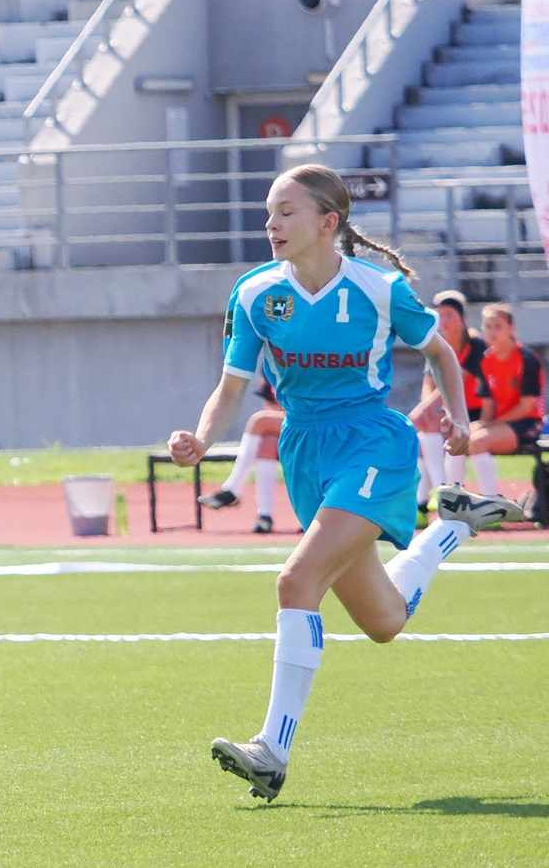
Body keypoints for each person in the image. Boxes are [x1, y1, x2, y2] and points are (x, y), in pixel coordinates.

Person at [169, 166, 513, 803]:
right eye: (269, 213)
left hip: (372, 442)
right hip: (306, 449)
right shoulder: (254, 294)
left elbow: (439, 352)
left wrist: (459, 419)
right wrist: (201, 439)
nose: (271, 224)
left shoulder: (379, 290)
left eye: (286, 213)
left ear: (328, 223)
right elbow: (232, 387)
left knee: (296, 581)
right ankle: (454, 525)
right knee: (383, 621)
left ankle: (272, 749)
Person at [409, 289, 483, 507]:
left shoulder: (475, 345)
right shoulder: (437, 344)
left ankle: (450, 491)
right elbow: (429, 382)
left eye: (449, 314)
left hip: (473, 411)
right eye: (439, 314)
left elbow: (453, 380)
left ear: (461, 317)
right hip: (447, 410)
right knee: (427, 431)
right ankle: (439, 493)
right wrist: (427, 410)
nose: (444, 320)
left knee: (447, 429)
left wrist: (422, 409)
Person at [465, 302, 542, 505]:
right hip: (501, 423)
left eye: (498, 326)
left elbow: (527, 406)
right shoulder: (486, 360)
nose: (492, 332)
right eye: (487, 326)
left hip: (528, 423)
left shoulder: (526, 358)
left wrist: (489, 426)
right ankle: (452, 499)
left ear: (511, 329)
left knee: (478, 441)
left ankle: (490, 505)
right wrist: (482, 424)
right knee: (461, 437)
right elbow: (488, 404)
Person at [199, 379, 283, 533]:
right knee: (267, 443)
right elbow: (271, 407)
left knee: (259, 420)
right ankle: (264, 516)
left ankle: (232, 490)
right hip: (289, 430)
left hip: (318, 425)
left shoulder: (304, 361)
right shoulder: (270, 368)